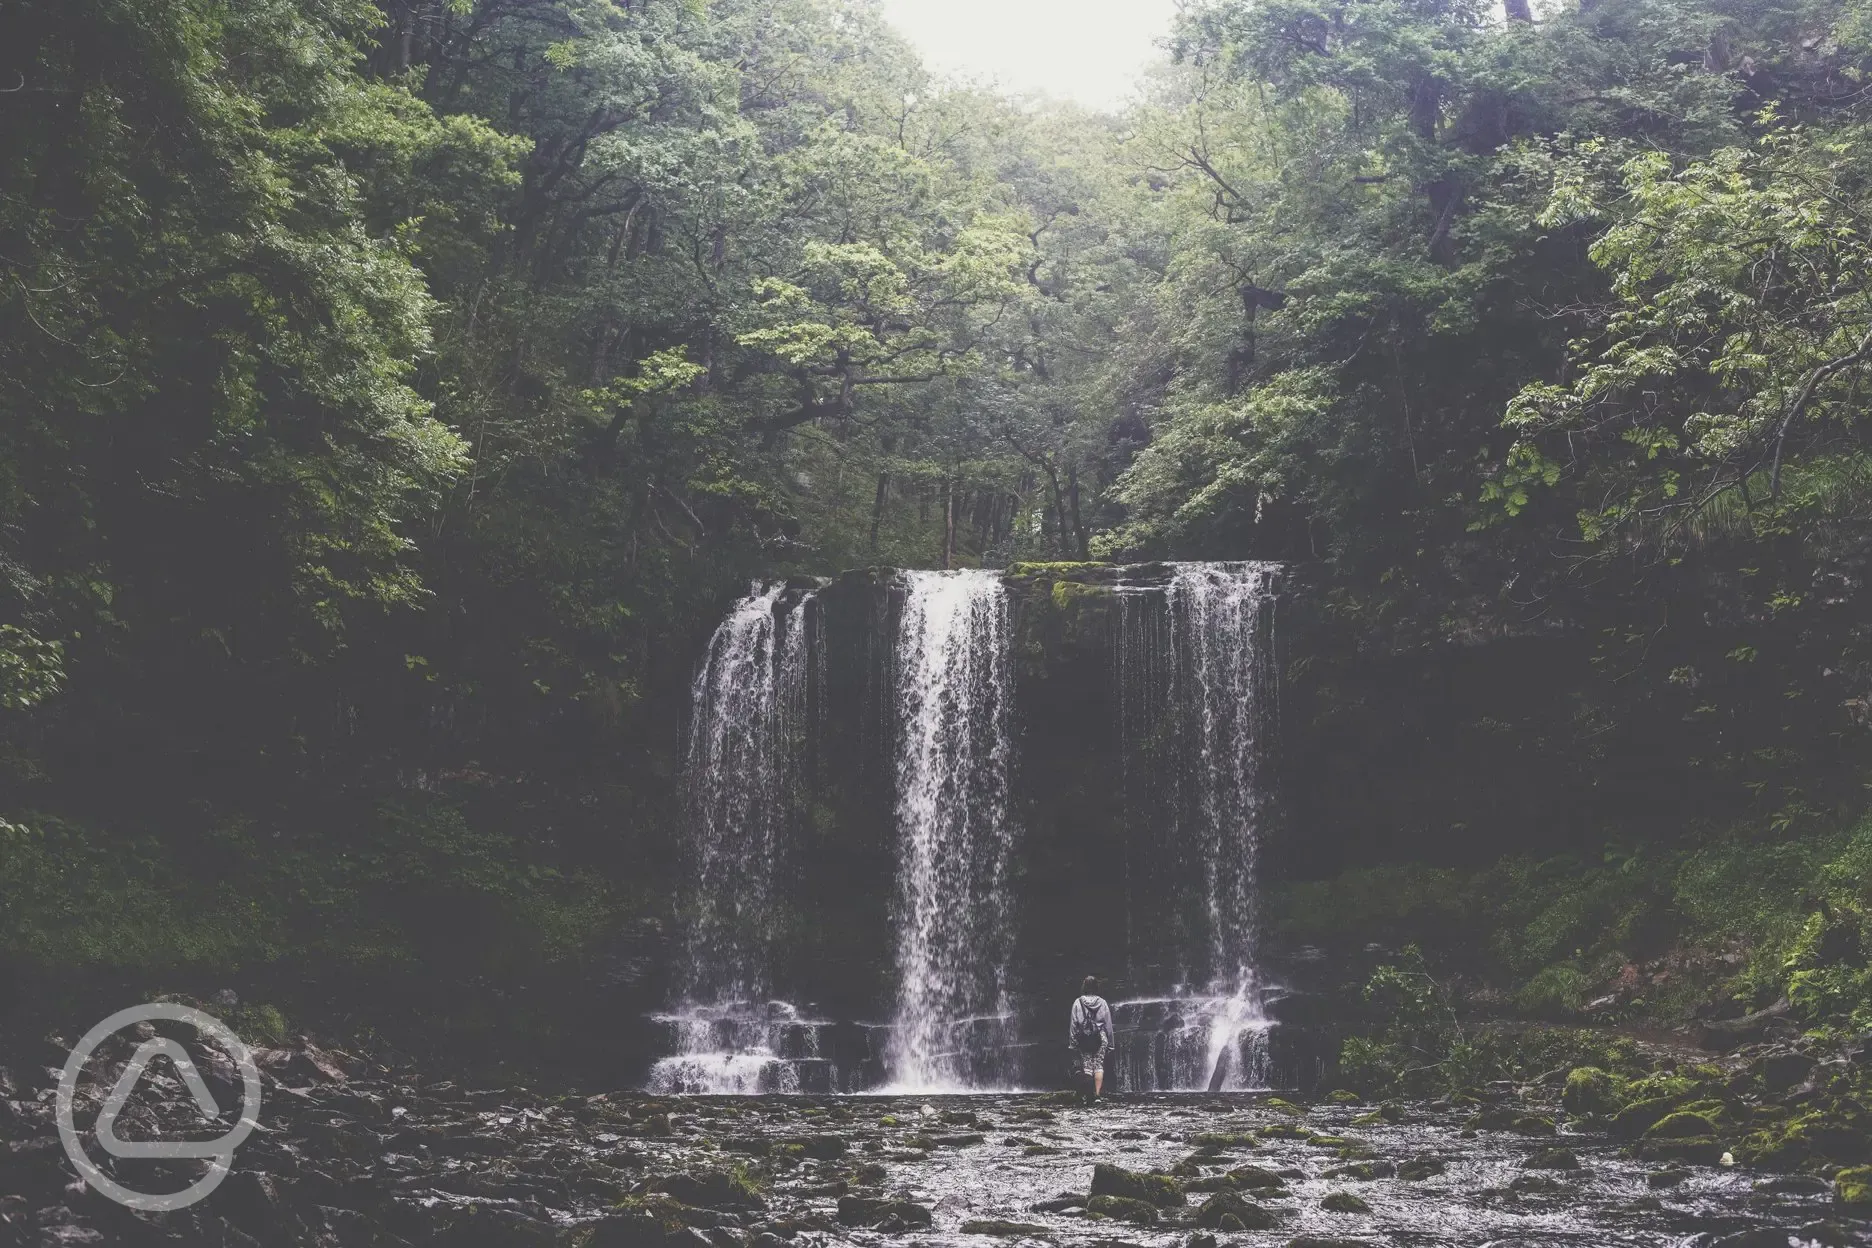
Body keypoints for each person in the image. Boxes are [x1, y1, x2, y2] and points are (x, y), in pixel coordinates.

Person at [1068, 975, 1115, 1099]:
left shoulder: (1077, 1002)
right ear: (1096, 987)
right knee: (1099, 1066)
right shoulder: (1102, 1002)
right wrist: (1110, 1043)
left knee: (1087, 1066)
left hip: (1084, 1037)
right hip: (1100, 1037)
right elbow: (1108, 1024)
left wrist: (1072, 1043)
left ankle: (1088, 1094)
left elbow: (1073, 1024)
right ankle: (1098, 1095)